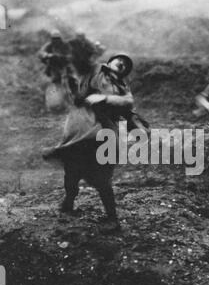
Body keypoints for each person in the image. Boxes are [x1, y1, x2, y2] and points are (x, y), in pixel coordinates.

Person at [43, 54, 149, 233]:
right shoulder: (95, 70)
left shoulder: (121, 87)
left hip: (102, 131)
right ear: (109, 62)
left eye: (126, 65)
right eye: (120, 60)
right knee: (71, 170)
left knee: (101, 176)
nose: (123, 63)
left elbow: (129, 102)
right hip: (81, 126)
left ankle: (112, 220)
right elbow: (79, 64)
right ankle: (68, 203)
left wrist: (104, 99)